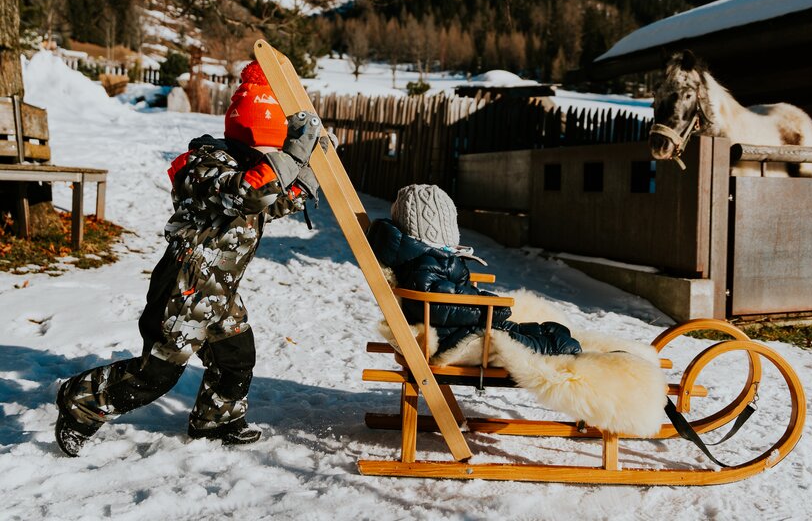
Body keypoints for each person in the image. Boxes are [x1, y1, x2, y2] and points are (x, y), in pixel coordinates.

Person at [54, 61, 327, 456]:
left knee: (236, 357)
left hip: (220, 290)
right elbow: (247, 194)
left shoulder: (251, 168)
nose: (271, 156)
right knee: (157, 373)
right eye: (269, 149)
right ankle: (80, 402)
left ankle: (216, 419)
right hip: (184, 287)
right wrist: (290, 157)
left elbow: (270, 202)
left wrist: (309, 171)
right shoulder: (204, 166)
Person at [367, 184, 581, 358]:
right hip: (449, 339)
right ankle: (552, 348)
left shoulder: (426, 256)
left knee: (509, 328)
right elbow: (437, 306)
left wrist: (480, 306)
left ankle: (548, 336)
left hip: (456, 328)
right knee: (506, 339)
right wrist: (482, 309)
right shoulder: (423, 262)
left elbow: (448, 297)